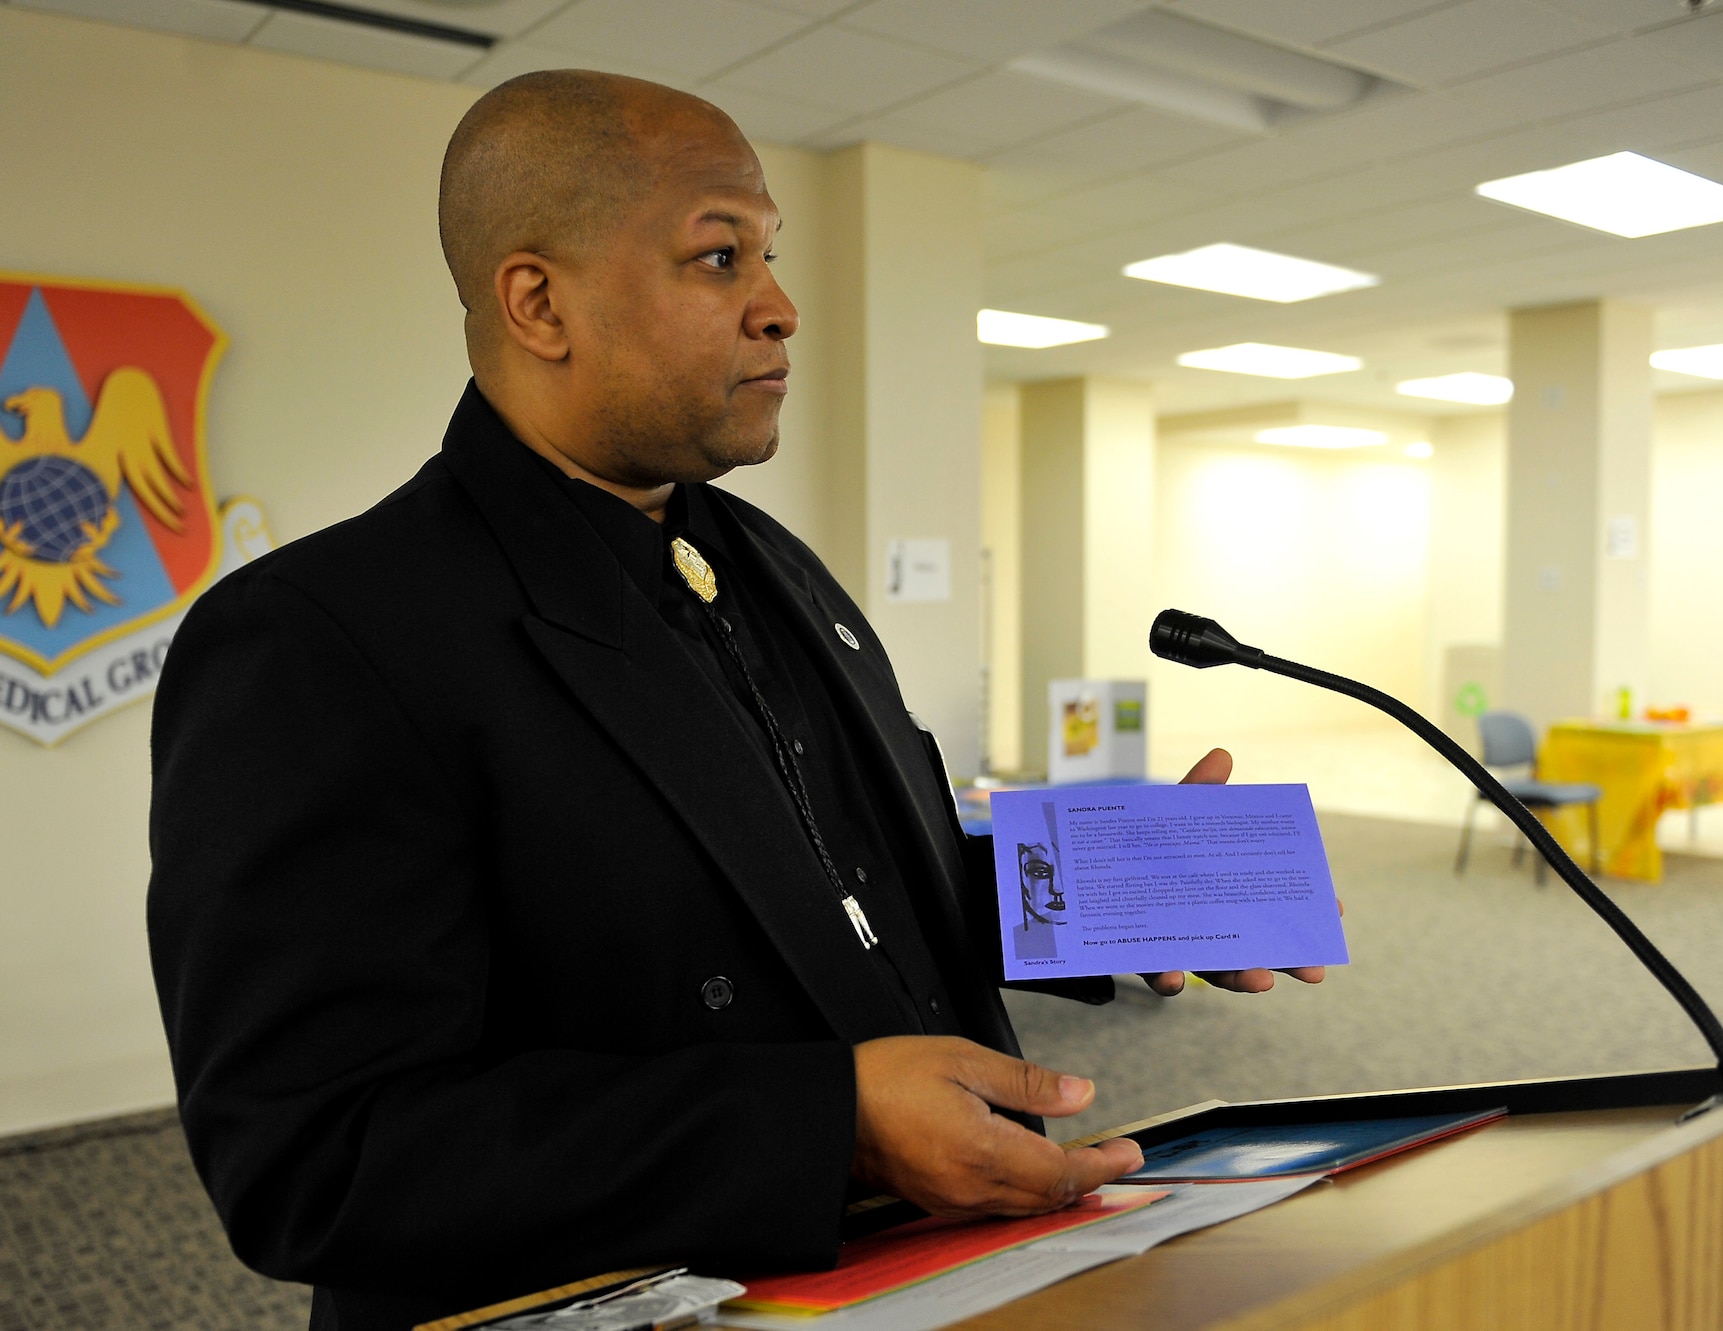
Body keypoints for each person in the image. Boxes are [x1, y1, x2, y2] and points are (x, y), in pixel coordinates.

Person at [146, 71, 1321, 1331]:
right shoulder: (320, 637)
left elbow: (837, 896)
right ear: (538, 301)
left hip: (930, 1276)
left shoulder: (772, 567)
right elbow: (318, 1157)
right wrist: (831, 1130)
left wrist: (1114, 889)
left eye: (767, 254)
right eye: (718, 258)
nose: (781, 308)